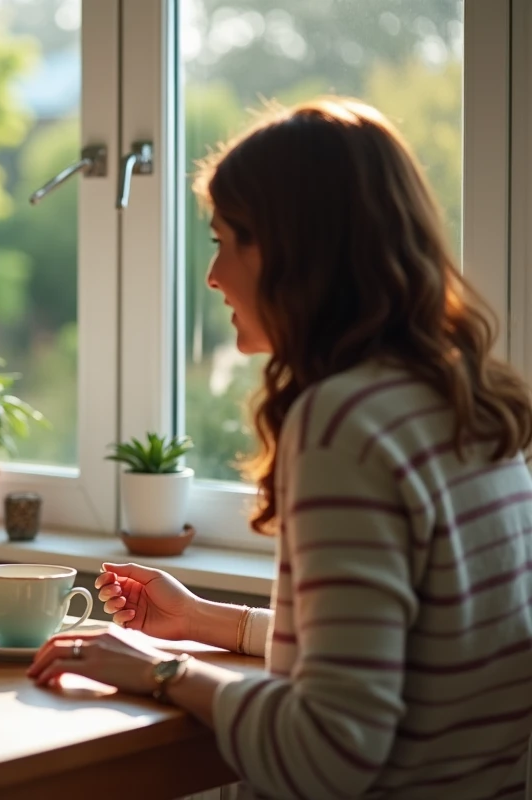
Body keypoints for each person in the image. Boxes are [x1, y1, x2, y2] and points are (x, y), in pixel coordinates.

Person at [28, 98, 532, 798]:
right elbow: (395, 657)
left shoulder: (343, 423)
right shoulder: (461, 398)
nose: (213, 277)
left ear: (297, 251)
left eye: (225, 241)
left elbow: (330, 750)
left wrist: (162, 672)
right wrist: (205, 622)